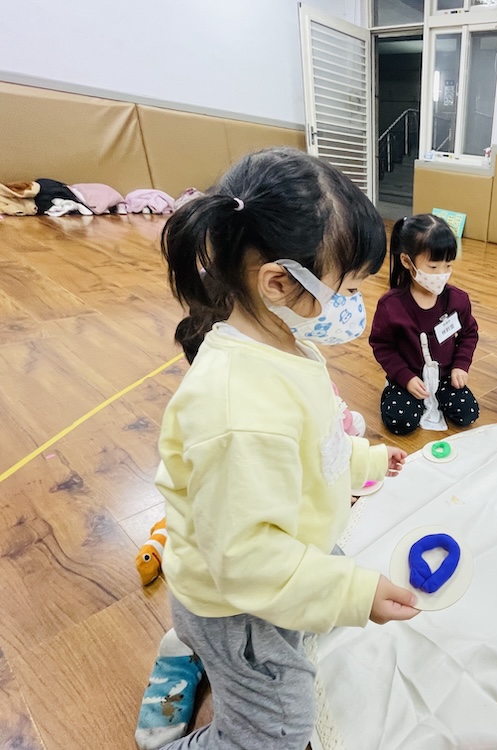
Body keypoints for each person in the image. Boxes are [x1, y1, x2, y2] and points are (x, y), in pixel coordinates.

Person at [145, 148, 419, 750]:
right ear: (276, 282)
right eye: (347, 288)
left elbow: (316, 442)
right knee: (277, 735)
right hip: (236, 605)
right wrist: (351, 592)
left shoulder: (288, 343)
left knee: (329, 568)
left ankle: (191, 650)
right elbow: (246, 560)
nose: (353, 304)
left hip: (272, 556)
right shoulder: (237, 409)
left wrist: (366, 460)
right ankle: (194, 685)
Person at [369, 214, 480, 435]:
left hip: (445, 376)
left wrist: (460, 365)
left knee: (467, 413)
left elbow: (469, 333)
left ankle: (438, 394)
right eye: (433, 266)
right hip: (408, 377)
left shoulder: (457, 300)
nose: (442, 274)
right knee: (400, 421)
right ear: (406, 261)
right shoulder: (391, 305)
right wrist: (404, 377)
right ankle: (394, 389)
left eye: (448, 265)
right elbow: (382, 346)